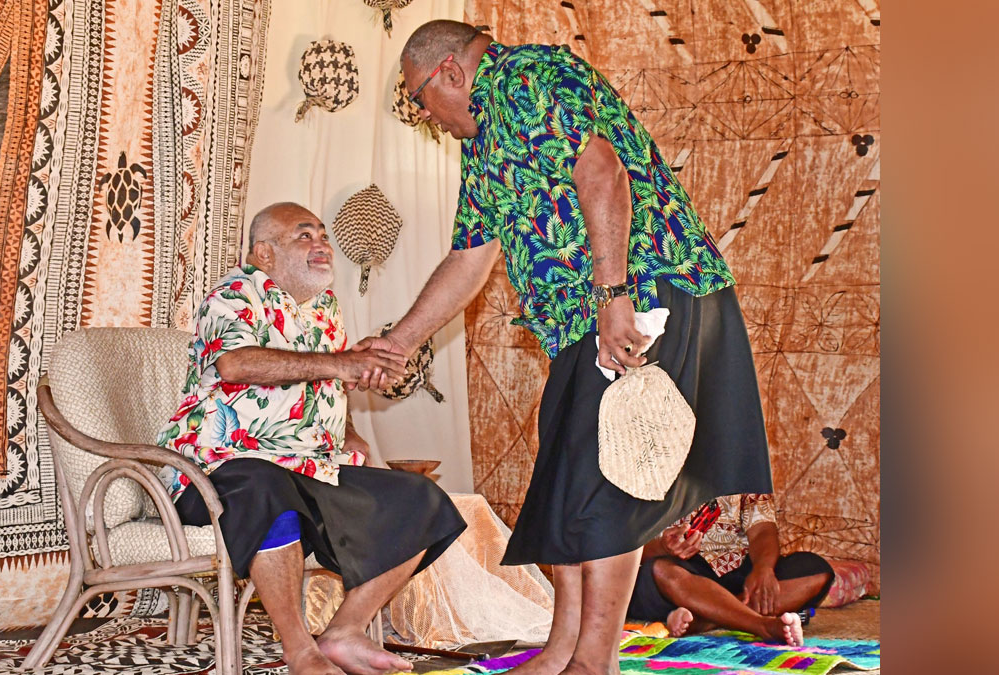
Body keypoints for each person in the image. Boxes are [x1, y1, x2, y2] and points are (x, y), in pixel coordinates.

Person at [356, 20, 777, 675]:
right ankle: (564, 650)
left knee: (610, 476)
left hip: (643, 291)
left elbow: (602, 173)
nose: (424, 116)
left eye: (418, 99)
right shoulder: (485, 140)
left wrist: (613, 295)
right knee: (568, 473)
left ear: (451, 73)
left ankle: (592, 660)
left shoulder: (526, 79)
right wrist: (397, 343)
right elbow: (469, 259)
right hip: (593, 315)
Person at [156, 202, 467, 675]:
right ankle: (300, 650)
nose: (322, 244)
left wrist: (351, 431)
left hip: (308, 468)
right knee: (266, 486)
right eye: (305, 236)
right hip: (218, 471)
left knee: (420, 500)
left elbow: (326, 385)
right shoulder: (233, 294)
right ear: (265, 252)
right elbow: (236, 364)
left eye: (323, 235)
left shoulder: (325, 308)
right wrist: (341, 363)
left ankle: (345, 631)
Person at [629, 494, 834, 646]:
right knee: (661, 570)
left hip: (740, 571)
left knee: (817, 571)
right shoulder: (650, 469)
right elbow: (625, 549)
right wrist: (662, 547)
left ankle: (704, 621)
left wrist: (763, 569)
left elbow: (762, 530)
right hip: (682, 577)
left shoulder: (745, 469)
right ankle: (762, 625)